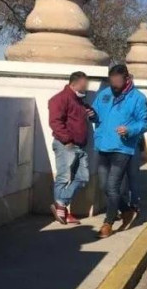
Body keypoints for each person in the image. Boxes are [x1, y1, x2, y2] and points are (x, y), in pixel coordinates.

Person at [91, 64, 147, 239]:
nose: (114, 84)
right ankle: (125, 210)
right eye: (112, 80)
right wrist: (91, 115)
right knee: (104, 186)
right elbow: (96, 113)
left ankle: (108, 223)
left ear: (126, 78)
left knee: (112, 185)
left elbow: (145, 122)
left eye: (117, 80)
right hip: (103, 144)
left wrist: (130, 129)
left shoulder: (138, 98)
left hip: (123, 147)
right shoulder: (104, 94)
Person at [48, 71, 94, 225]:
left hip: (80, 146)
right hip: (66, 145)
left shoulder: (80, 101)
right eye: (84, 84)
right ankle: (63, 211)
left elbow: (92, 117)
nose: (86, 87)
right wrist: (67, 140)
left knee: (83, 178)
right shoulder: (60, 99)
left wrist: (92, 113)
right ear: (74, 83)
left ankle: (60, 203)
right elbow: (55, 122)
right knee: (63, 177)